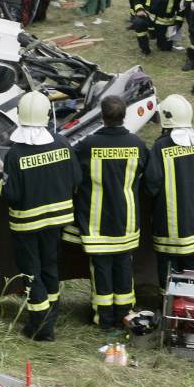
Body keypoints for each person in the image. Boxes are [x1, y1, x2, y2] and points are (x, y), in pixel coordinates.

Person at [0, 92, 80, 341]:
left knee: (32, 272)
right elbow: (76, 179)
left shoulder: (15, 154)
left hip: (27, 224)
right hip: (56, 221)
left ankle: (41, 327)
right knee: (50, 267)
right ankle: (51, 314)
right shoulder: (62, 142)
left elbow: (12, 195)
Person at [65, 96, 148, 328]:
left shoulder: (87, 145)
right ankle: (125, 315)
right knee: (124, 266)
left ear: (102, 116)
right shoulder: (137, 144)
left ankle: (103, 318)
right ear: (124, 116)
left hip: (96, 222)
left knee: (100, 269)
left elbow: (74, 176)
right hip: (127, 220)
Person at [144, 94, 194, 286]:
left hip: (166, 226)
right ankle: (190, 306)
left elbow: (151, 185)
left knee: (167, 271)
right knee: (192, 270)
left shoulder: (161, 146)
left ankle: (167, 306)